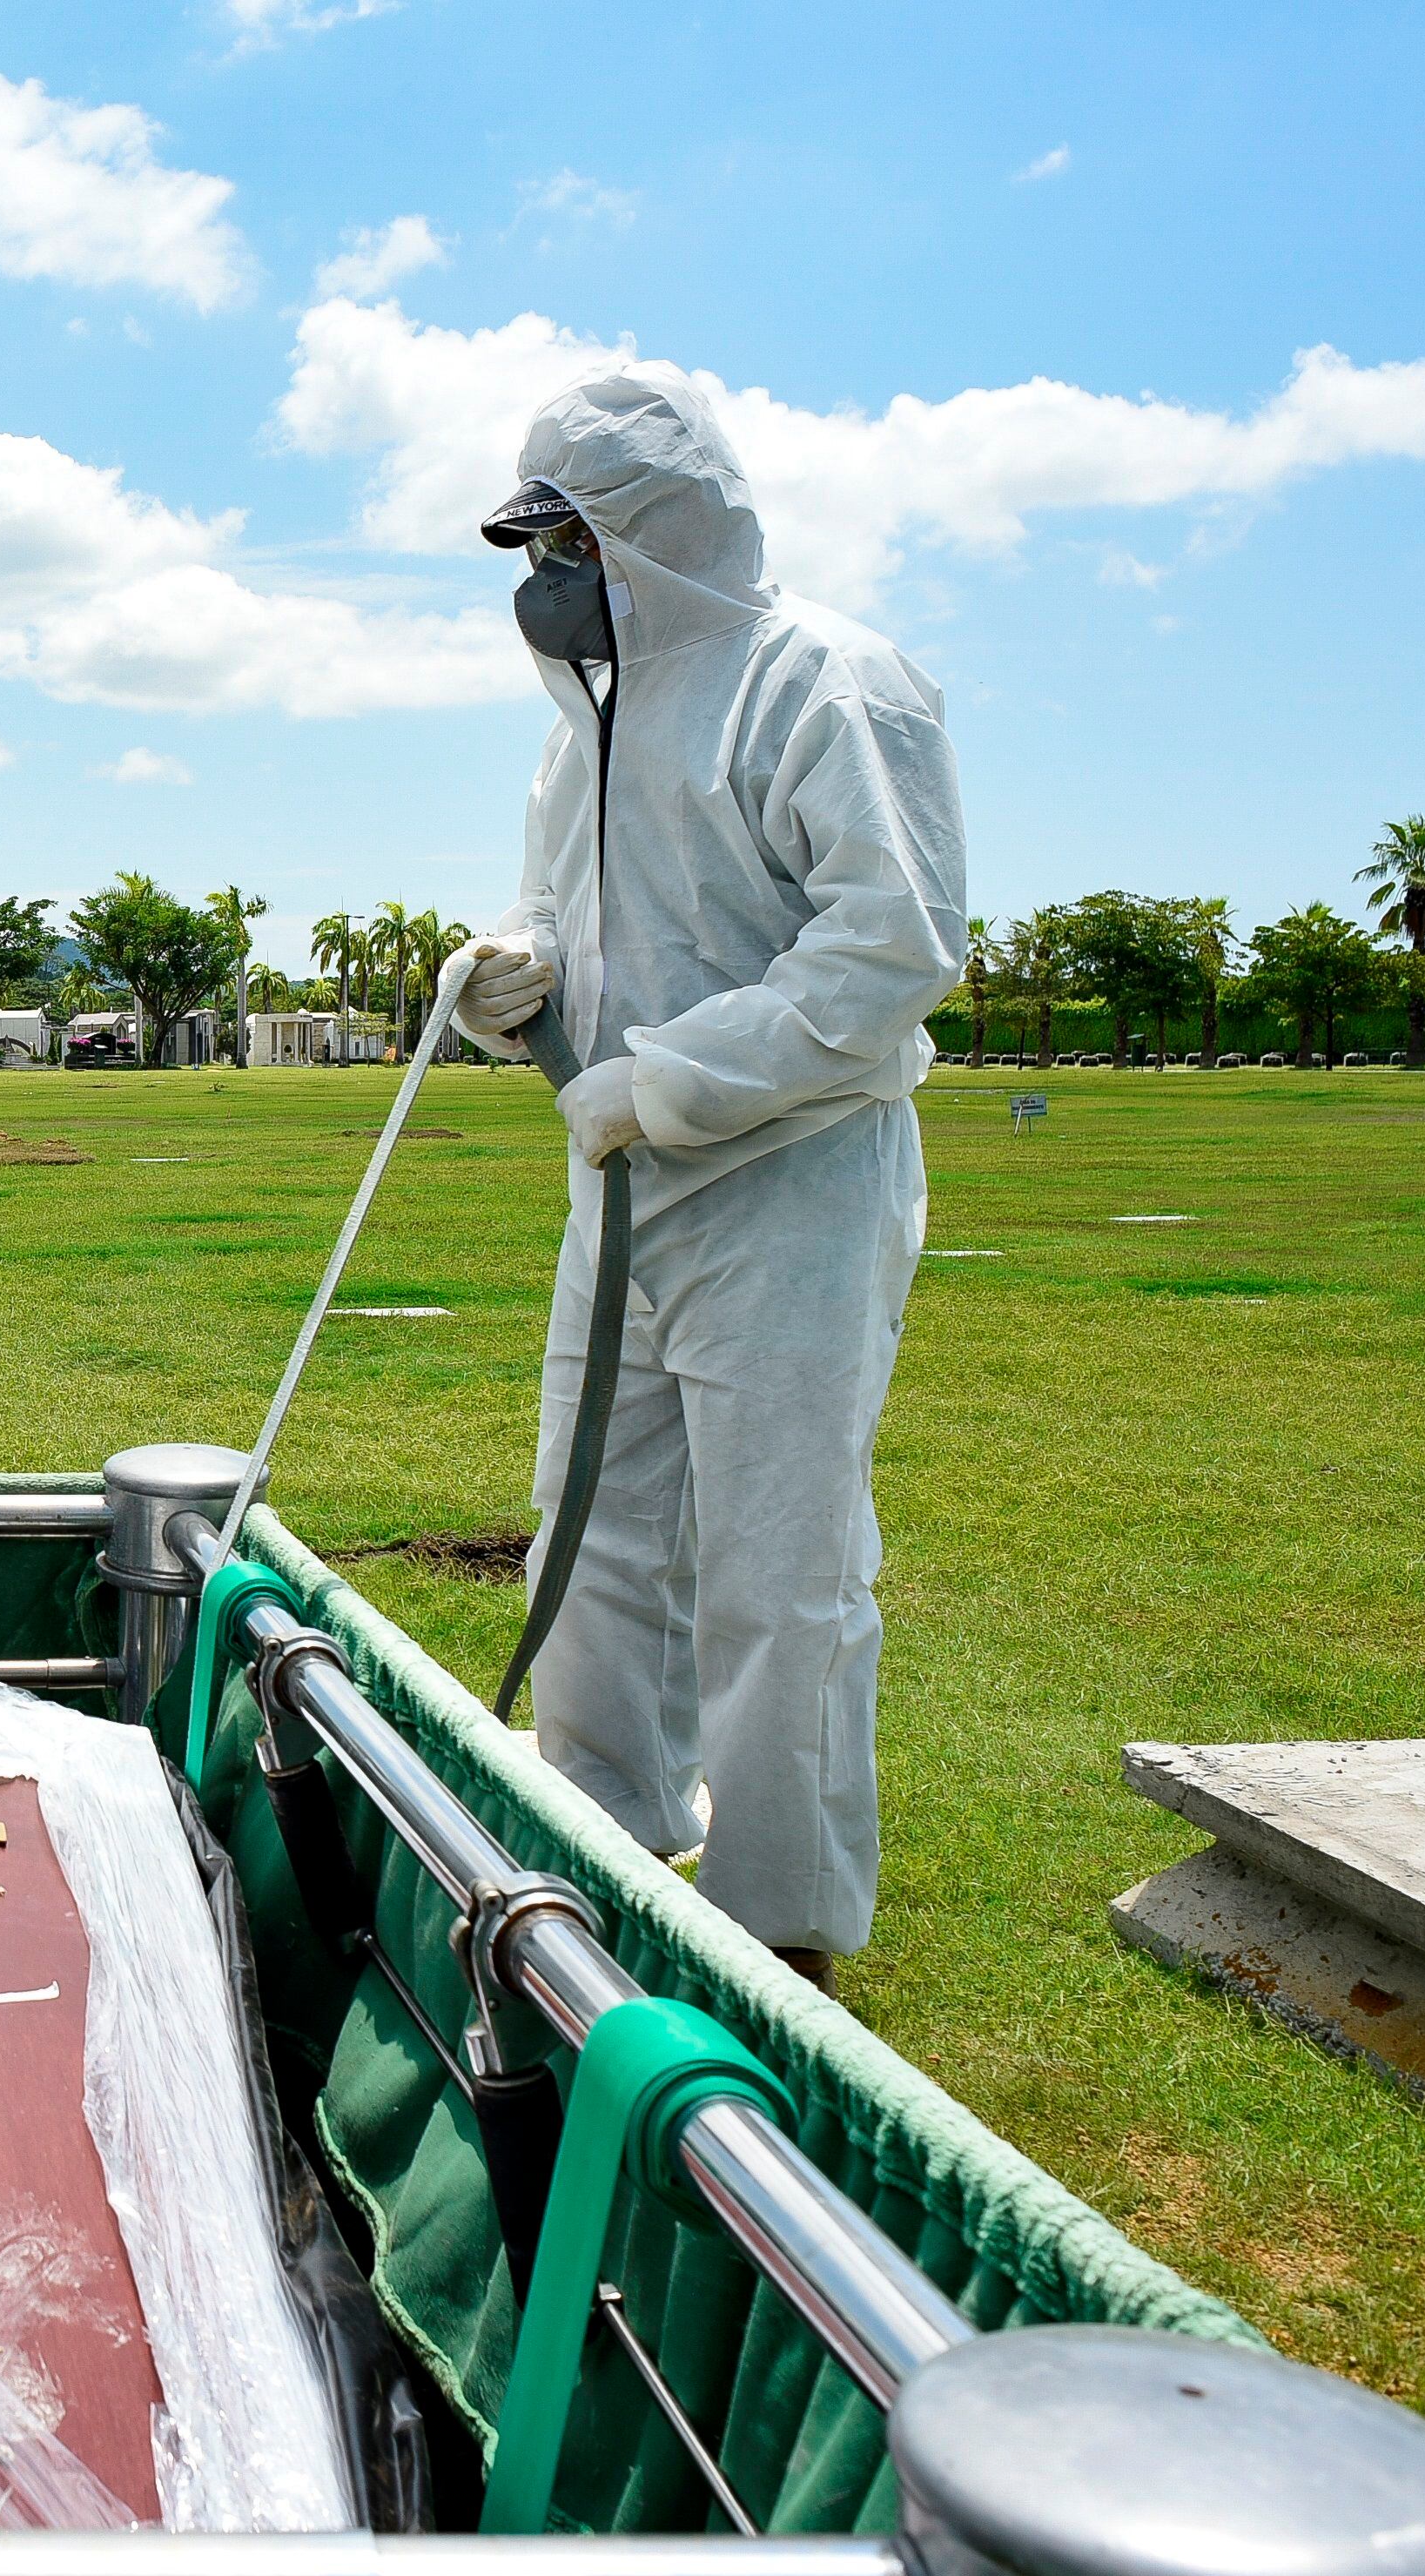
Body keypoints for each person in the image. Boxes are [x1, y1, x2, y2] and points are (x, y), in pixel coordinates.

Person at [442, 374, 968, 1985]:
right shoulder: (582, 722)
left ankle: (777, 1922)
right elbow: (575, 907)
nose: (541, 572)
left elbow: (887, 947)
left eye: (565, 535)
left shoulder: (825, 681)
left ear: (651, 529)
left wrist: (667, 1078)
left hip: (786, 1180)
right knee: (589, 1523)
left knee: (778, 1561)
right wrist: (510, 970)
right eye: (525, 539)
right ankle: (599, 1832)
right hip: (619, 1178)